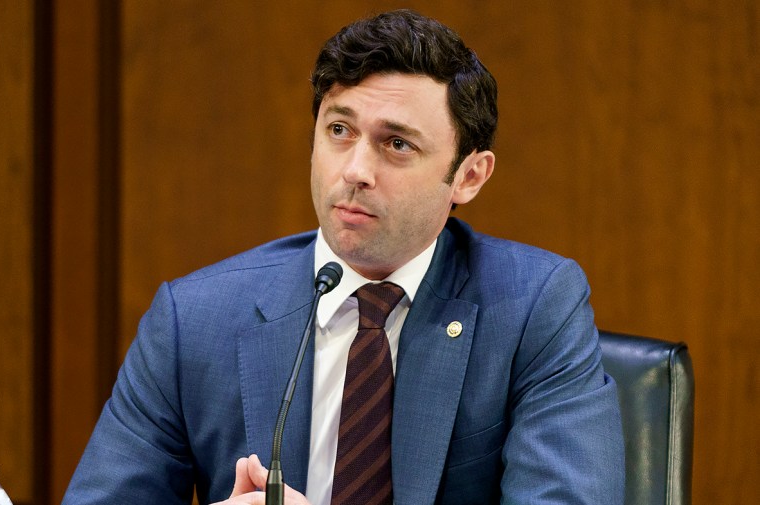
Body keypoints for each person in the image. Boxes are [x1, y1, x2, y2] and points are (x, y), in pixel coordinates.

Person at [62, 9, 625, 505]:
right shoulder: (194, 319)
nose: (355, 171)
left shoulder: (533, 308)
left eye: (396, 144)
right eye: (338, 130)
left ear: (469, 175)